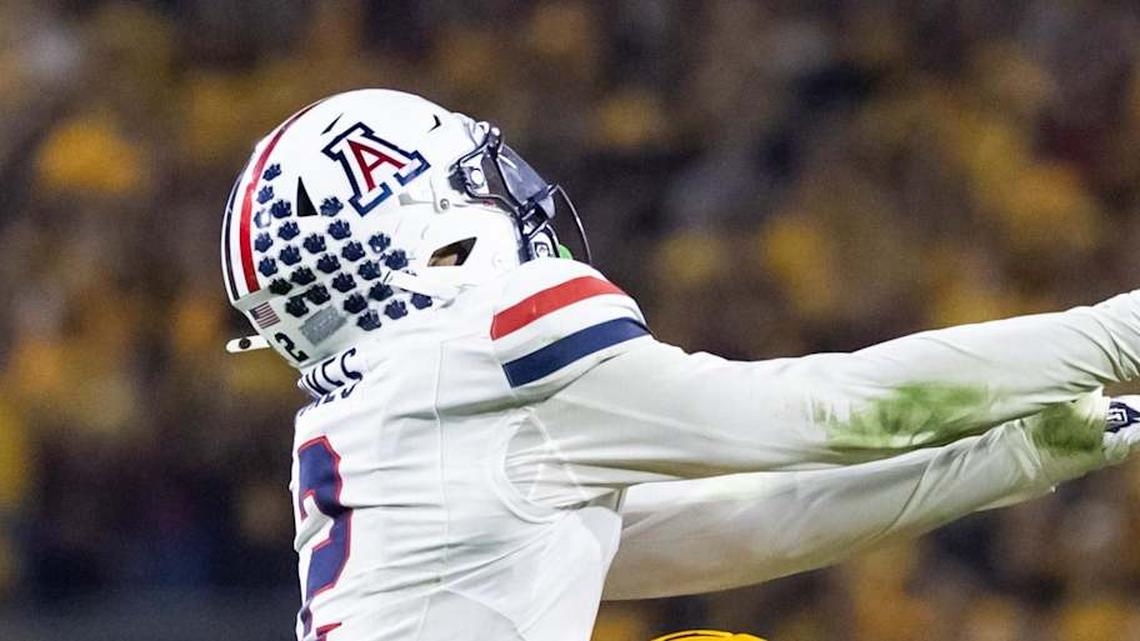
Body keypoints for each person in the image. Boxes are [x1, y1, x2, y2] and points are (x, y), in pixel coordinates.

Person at [220, 88, 1140, 641]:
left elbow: (741, 529)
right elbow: (826, 416)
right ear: (426, 239)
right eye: (467, 182)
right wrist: (1115, 335)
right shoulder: (491, 338)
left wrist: (1019, 455)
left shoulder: (388, 414)